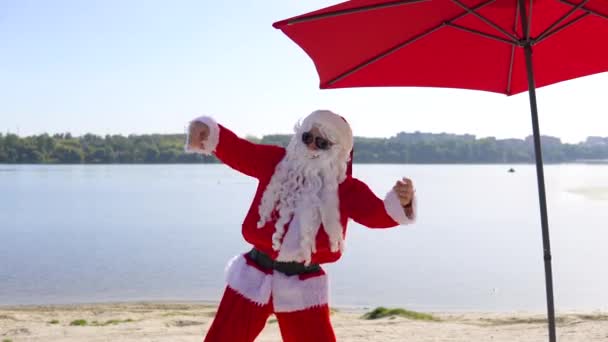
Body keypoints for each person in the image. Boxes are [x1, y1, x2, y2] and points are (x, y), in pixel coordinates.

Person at [185, 110, 417, 342]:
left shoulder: (346, 189)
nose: (312, 147)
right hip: (254, 274)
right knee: (224, 338)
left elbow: (376, 214)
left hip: (302, 284)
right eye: (307, 138)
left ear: (338, 150)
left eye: (322, 143)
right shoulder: (275, 163)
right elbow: (241, 151)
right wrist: (208, 133)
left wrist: (402, 202)